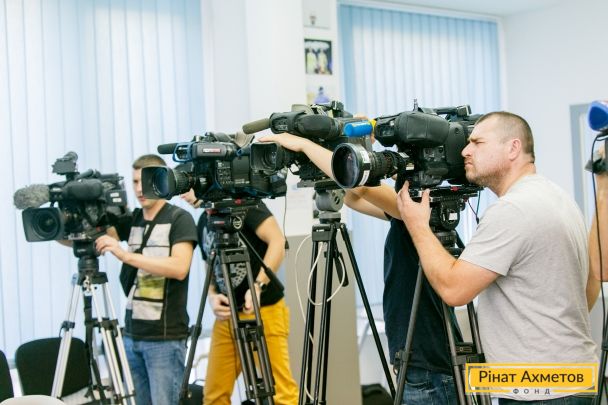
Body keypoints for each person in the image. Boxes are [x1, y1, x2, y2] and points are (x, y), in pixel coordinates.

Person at [396, 111, 599, 404]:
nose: (465, 151)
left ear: (513, 148)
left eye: (477, 143)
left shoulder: (513, 210)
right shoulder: (558, 197)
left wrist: (417, 226)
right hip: (571, 377)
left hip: (540, 390)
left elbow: (454, 289)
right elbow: (587, 291)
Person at [259, 133, 459, 404]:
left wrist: (305, 145)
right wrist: (361, 148)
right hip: (417, 358)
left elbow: (361, 188)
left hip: (428, 364)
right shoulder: (409, 216)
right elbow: (354, 198)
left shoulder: (422, 207)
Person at [95, 154, 198, 405]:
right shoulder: (133, 220)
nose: (139, 189)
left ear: (162, 181)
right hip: (132, 335)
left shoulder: (179, 218)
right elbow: (95, 239)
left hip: (165, 338)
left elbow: (179, 267)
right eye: (134, 182)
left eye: (145, 181)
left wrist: (125, 255)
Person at [180, 190, 299, 405]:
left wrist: (258, 285)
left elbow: (278, 242)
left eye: (187, 188)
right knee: (214, 396)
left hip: (265, 310)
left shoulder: (244, 204)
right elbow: (210, 263)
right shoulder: (204, 220)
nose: (183, 195)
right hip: (227, 317)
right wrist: (212, 296)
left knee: (282, 394)